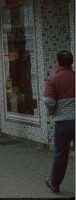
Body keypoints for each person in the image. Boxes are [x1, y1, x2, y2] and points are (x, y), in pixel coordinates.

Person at [43, 50, 75, 194]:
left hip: (63, 122)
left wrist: (52, 112)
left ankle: (55, 183)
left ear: (58, 62)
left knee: (61, 154)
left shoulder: (53, 79)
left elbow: (48, 101)